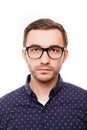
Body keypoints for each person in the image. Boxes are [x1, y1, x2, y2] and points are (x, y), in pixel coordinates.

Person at [0, 18, 87, 130]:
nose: (45, 60)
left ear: (64, 55)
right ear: (24, 55)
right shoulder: (4, 107)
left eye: (54, 50)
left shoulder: (84, 102)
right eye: (35, 49)